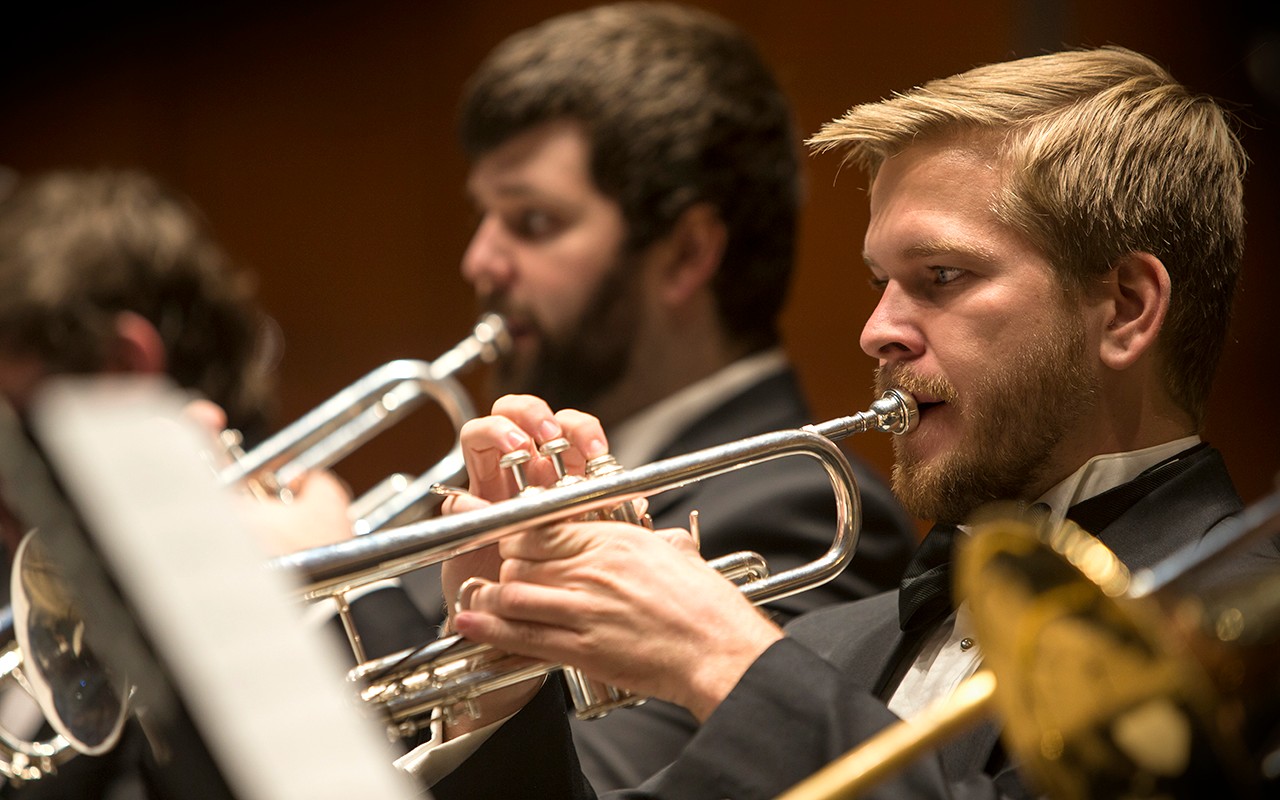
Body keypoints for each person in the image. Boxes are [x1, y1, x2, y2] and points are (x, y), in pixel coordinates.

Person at [418, 45, 1277, 799]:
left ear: (1125, 308)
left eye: (942, 276)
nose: (878, 332)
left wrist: (724, 657)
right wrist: (497, 693)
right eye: (880, 284)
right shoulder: (832, 646)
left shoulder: (1243, 640)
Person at [450, 3, 918, 790]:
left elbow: (608, 785)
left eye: (532, 221)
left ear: (687, 254)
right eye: (484, 218)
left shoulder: (799, 509)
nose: (479, 261)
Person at [0, 169, 434, 798]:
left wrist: (335, 590)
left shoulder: (398, 589)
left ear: (124, 368)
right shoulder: (45, 584)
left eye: (12, 415)